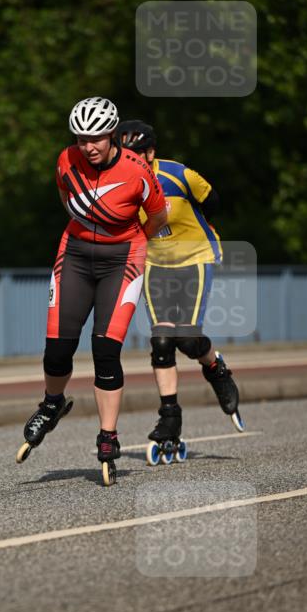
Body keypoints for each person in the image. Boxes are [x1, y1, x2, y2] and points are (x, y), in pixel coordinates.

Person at [17, 97, 168, 484]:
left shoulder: (137, 170)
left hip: (124, 257)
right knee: (58, 348)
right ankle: (52, 404)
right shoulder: (65, 160)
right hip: (76, 253)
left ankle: (107, 436)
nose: (89, 147)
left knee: (105, 348)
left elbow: (158, 216)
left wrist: (132, 244)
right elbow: (70, 203)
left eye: (97, 138)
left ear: (113, 135)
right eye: (82, 138)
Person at [115, 119, 243, 464]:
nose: (130, 160)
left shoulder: (178, 174)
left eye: (136, 154)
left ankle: (216, 368)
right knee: (160, 341)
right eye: (124, 154)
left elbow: (212, 200)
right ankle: (169, 417)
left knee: (187, 339)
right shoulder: (120, 183)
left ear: (151, 152)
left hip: (195, 258)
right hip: (155, 264)